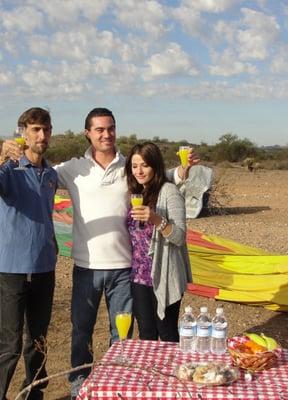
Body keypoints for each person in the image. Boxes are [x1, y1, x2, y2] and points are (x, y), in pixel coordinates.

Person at [54, 108, 197, 398]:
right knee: (81, 331)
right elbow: (41, 175)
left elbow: (155, 173)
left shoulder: (126, 164)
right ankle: (78, 386)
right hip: (86, 266)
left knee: (122, 336)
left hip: (125, 269)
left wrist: (181, 172)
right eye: (99, 130)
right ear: (88, 133)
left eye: (111, 128)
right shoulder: (72, 169)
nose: (106, 134)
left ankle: (117, 383)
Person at [0, 107, 57, 400]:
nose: (41, 135)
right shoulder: (9, 169)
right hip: (13, 269)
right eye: (35, 129)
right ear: (23, 132)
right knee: (9, 342)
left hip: (45, 268)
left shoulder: (50, 173)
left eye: (45, 129)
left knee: (38, 340)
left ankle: (33, 394)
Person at [126, 142, 192, 341]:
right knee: (146, 334)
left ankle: (172, 371)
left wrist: (156, 219)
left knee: (167, 332)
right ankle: (152, 372)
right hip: (138, 276)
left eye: (144, 165)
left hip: (163, 274)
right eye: (135, 166)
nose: (139, 171)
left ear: (155, 165)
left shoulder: (169, 192)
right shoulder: (136, 193)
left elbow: (179, 236)